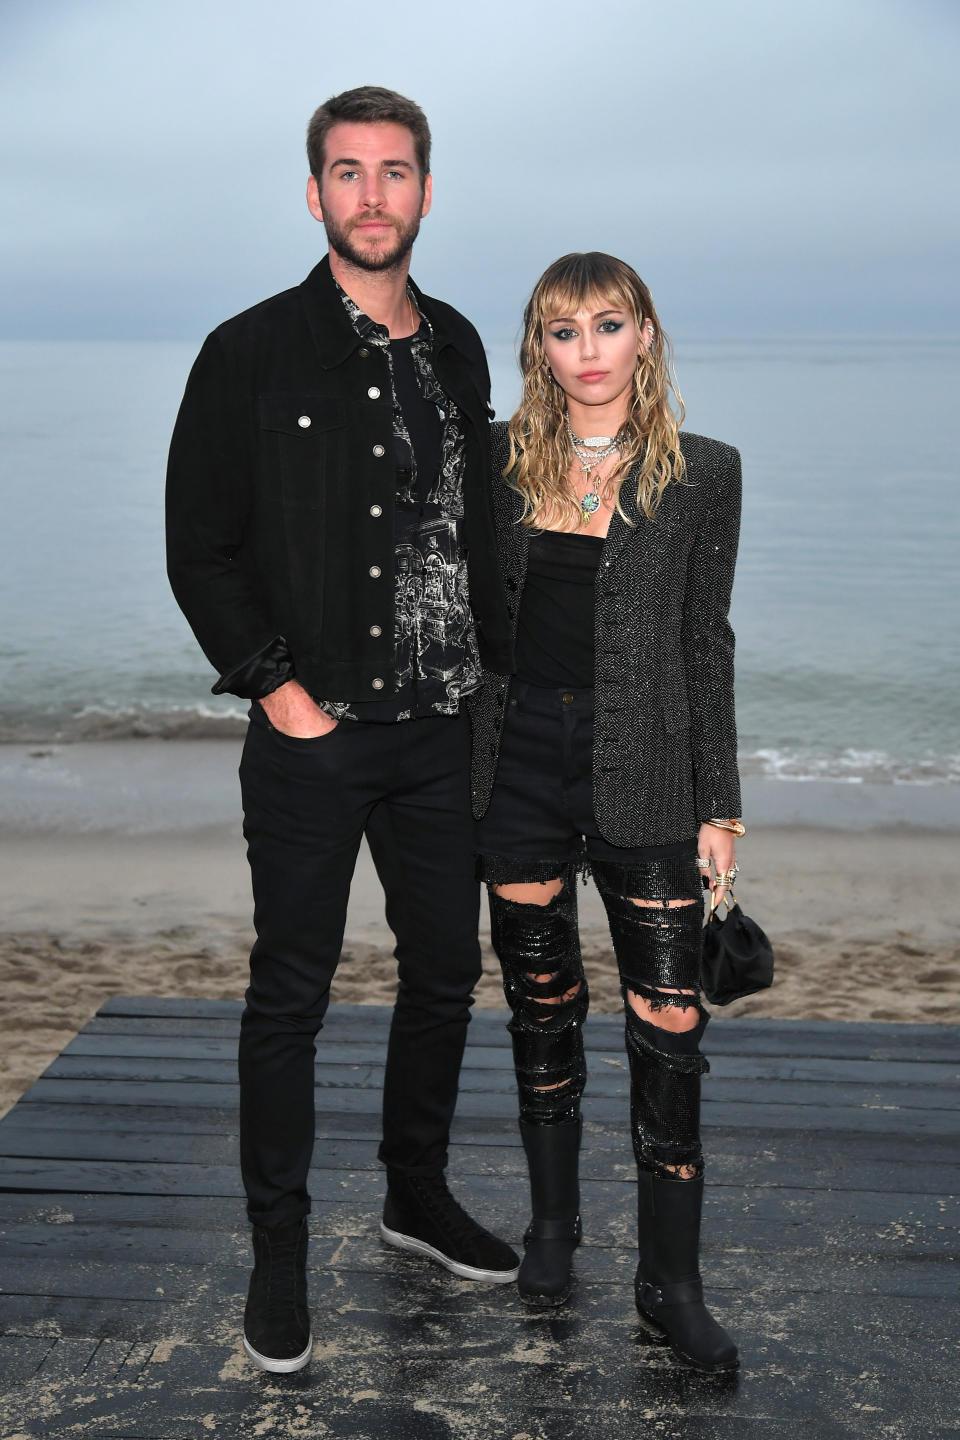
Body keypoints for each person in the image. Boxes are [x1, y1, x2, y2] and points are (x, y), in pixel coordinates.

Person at [166, 86, 519, 1376]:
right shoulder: (247, 351)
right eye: (348, 172)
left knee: (442, 974)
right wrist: (279, 691)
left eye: (397, 172)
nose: (374, 194)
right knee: (291, 997)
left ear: (427, 192)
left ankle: (414, 1196)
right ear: (314, 195)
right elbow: (199, 549)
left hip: (446, 732)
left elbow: (475, 532)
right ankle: (278, 1253)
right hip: (316, 736)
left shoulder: (468, 346)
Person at [470, 252, 742, 1373]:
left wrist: (721, 804)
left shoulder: (703, 474)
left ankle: (668, 1283)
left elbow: (704, 643)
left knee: (670, 1027)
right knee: (542, 1002)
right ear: (539, 347)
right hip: (519, 762)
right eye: (562, 330)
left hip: (647, 771)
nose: (586, 350)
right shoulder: (492, 463)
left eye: (607, 325)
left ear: (645, 337)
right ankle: (550, 1230)